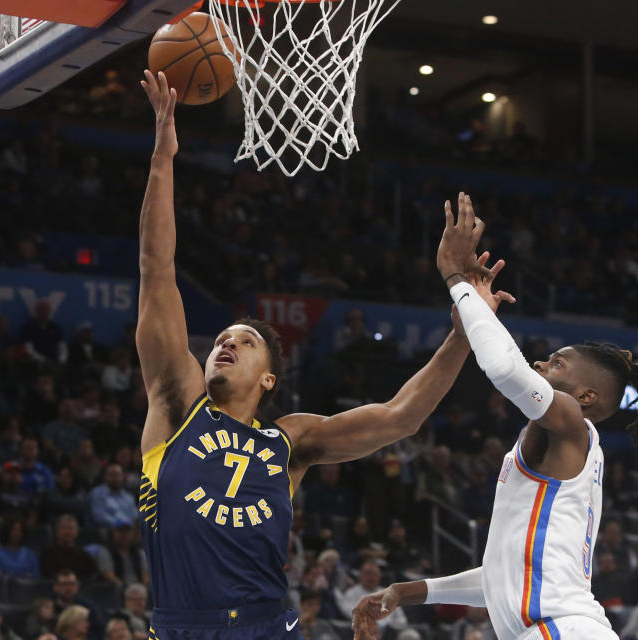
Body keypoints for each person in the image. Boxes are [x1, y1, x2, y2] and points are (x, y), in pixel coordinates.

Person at [135, 74, 500, 639]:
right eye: (222, 340)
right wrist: (164, 154)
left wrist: (463, 332)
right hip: (183, 626)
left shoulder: (290, 441)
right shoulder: (178, 404)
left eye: (245, 341)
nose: (226, 343)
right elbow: (157, 271)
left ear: (270, 379)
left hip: (268, 626)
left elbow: (401, 417)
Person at [352, 193, 638, 640]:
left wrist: (455, 277)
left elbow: (504, 368)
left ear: (586, 395)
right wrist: (407, 591)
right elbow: (502, 575)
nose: (542, 365)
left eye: (558, 363)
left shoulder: (570, 420)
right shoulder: (562, 443)